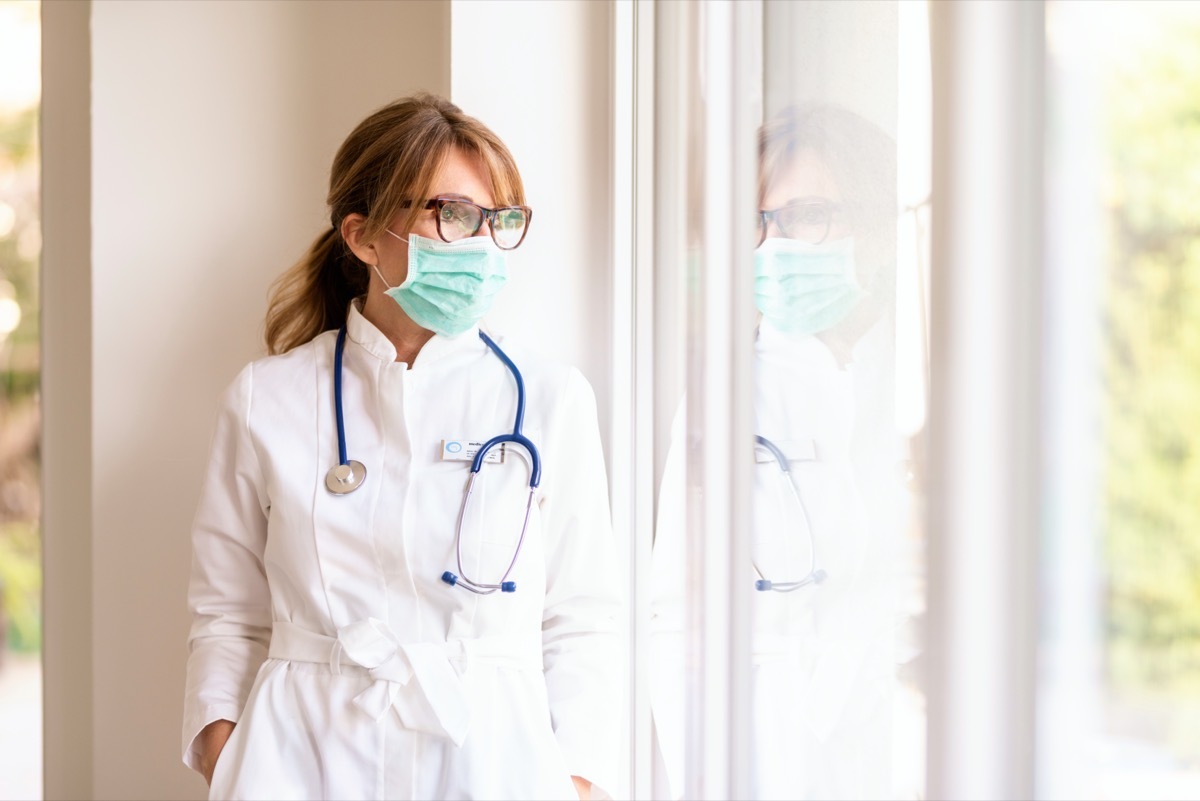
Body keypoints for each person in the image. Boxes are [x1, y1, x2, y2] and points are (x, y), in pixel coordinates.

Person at [181, 93, 620, 801]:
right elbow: (227, 611)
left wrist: (575, 778)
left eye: (498, 220)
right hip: (300, 761)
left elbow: (581, 616)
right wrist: (225, 751)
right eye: (452, 215)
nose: (480, 241)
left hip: (494, 765)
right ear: (362, 236)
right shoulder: (267, 398)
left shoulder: (550, 400)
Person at [649, 103, 909, 800]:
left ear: (878, 233)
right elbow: (676, 627)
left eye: (806, 217)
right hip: (766, 756)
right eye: (759, 223)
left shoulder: (915, 384)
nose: (777, 244)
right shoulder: (726, 398)